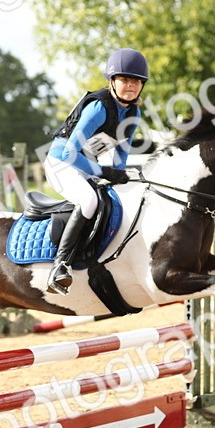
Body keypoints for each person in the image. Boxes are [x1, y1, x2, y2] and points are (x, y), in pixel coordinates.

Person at [43, 48, 147, 295]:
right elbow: (69, 153)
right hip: (61, 164)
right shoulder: (99, 107)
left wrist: (119, 175)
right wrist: (104, 171)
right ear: (112, 81)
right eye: (124, 80)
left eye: (136, 81)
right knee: (89, 200)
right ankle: (60, 265)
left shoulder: (134, 112)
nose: (130, 85)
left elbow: (121, 155)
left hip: (85, 166)